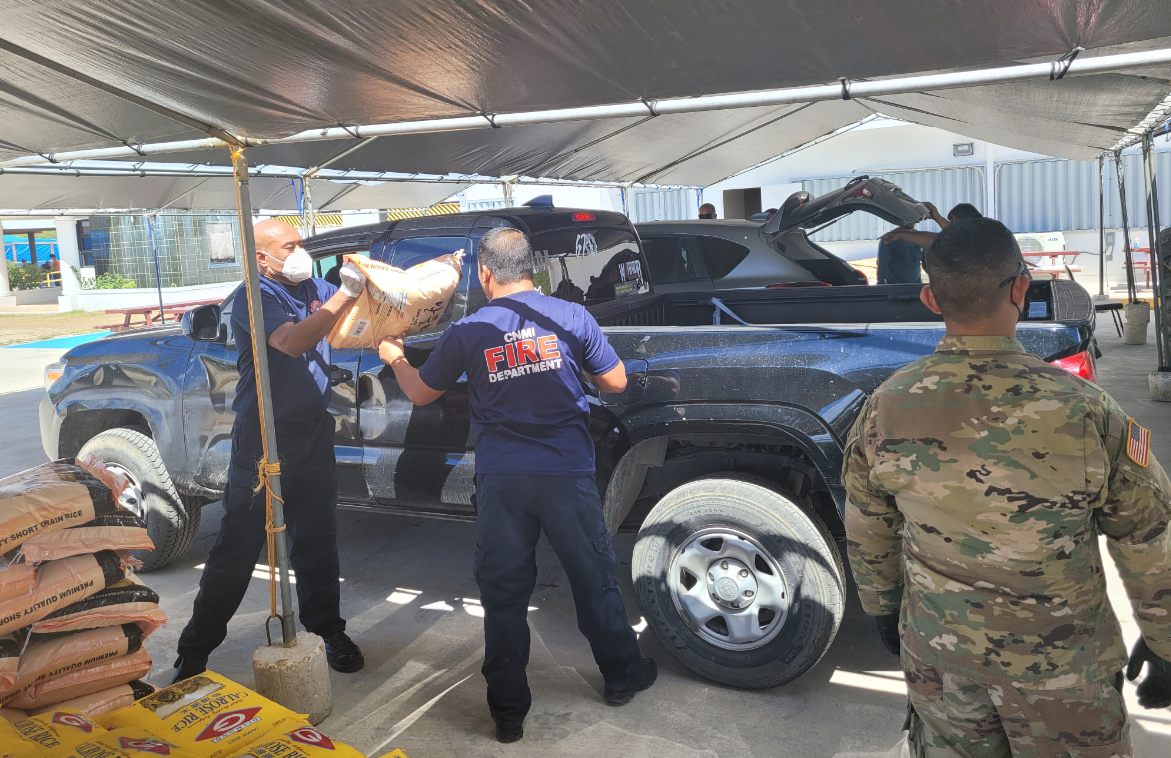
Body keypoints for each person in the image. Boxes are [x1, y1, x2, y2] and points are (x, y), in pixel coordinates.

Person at [844, 217, 1171, 757]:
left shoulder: (886, 406)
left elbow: (868, 524)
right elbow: (1149, 537)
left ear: (930, 298)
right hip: (1063, 671)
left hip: (942, 661)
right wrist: (1164, 645)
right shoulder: (1086, 409)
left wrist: (882, 608)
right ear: (1022, 287)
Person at [377, 227, 656, 743]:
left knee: (504, 594)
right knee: (593, 578)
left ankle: (507, 714)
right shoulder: (571, 316)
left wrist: (393, 353)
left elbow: (419, 393)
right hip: (567, 475)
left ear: (485, 274)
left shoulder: (468, 330)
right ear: (534, 269)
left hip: (503, 479)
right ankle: (621, 676)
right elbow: (614, 382)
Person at [173, 220, 368, 682]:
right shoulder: (253, 296)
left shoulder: (311, 287)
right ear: (263, 258)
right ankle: (195, 651)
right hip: (264, 437)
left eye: (301, 243)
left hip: (312, 431)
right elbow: (291, 341)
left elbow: (355, 310)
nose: (300, 252)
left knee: (318, 538)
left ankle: (327, 631)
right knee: (239, 544)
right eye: (291, 246)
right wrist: (345, 296)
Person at [881, 201, 982, 249]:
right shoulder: (958, 239)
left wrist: (937, 217)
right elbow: (932, 239)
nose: (949, 227)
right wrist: (899, 234)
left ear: (966, 220)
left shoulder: (985, 235)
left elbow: (956, 233)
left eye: (952, 222)